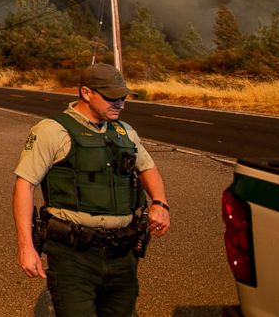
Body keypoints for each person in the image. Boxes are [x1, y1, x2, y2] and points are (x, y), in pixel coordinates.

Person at [12, 63, 171, 317]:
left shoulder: (125, 132)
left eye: (123, 98)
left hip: (123, 253)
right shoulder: (52, 130)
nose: (120, 103)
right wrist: (26, 246)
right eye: (111, 97)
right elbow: (24, 184)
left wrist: (160, 203)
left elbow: (147, 168)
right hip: (74, 254)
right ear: (86, 92)